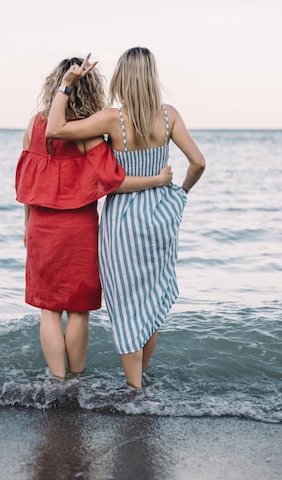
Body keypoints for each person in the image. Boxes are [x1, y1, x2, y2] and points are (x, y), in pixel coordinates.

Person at [46, 47, 206, 388]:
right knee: (148, 306)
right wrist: (181, 193)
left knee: (127, 310)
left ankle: (135, 391)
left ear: (121, 77)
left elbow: (55, 129)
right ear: (152, 76)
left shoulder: (111, 119)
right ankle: (140, 383)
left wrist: (66, 84)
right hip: (161, 216)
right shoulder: (169, 116)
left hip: (123, 226)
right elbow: (198, 163)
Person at [15, 56, 173, 380]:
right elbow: (114, 180)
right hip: (78, 229)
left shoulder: (35, 125)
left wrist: (26, 224)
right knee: (78, 310)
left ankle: (58, 382)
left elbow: (25, 183)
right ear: (92, 89)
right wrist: (157, 181)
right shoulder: (88, 132)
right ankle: (76, 380)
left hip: (40, 227)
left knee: (48, 310)